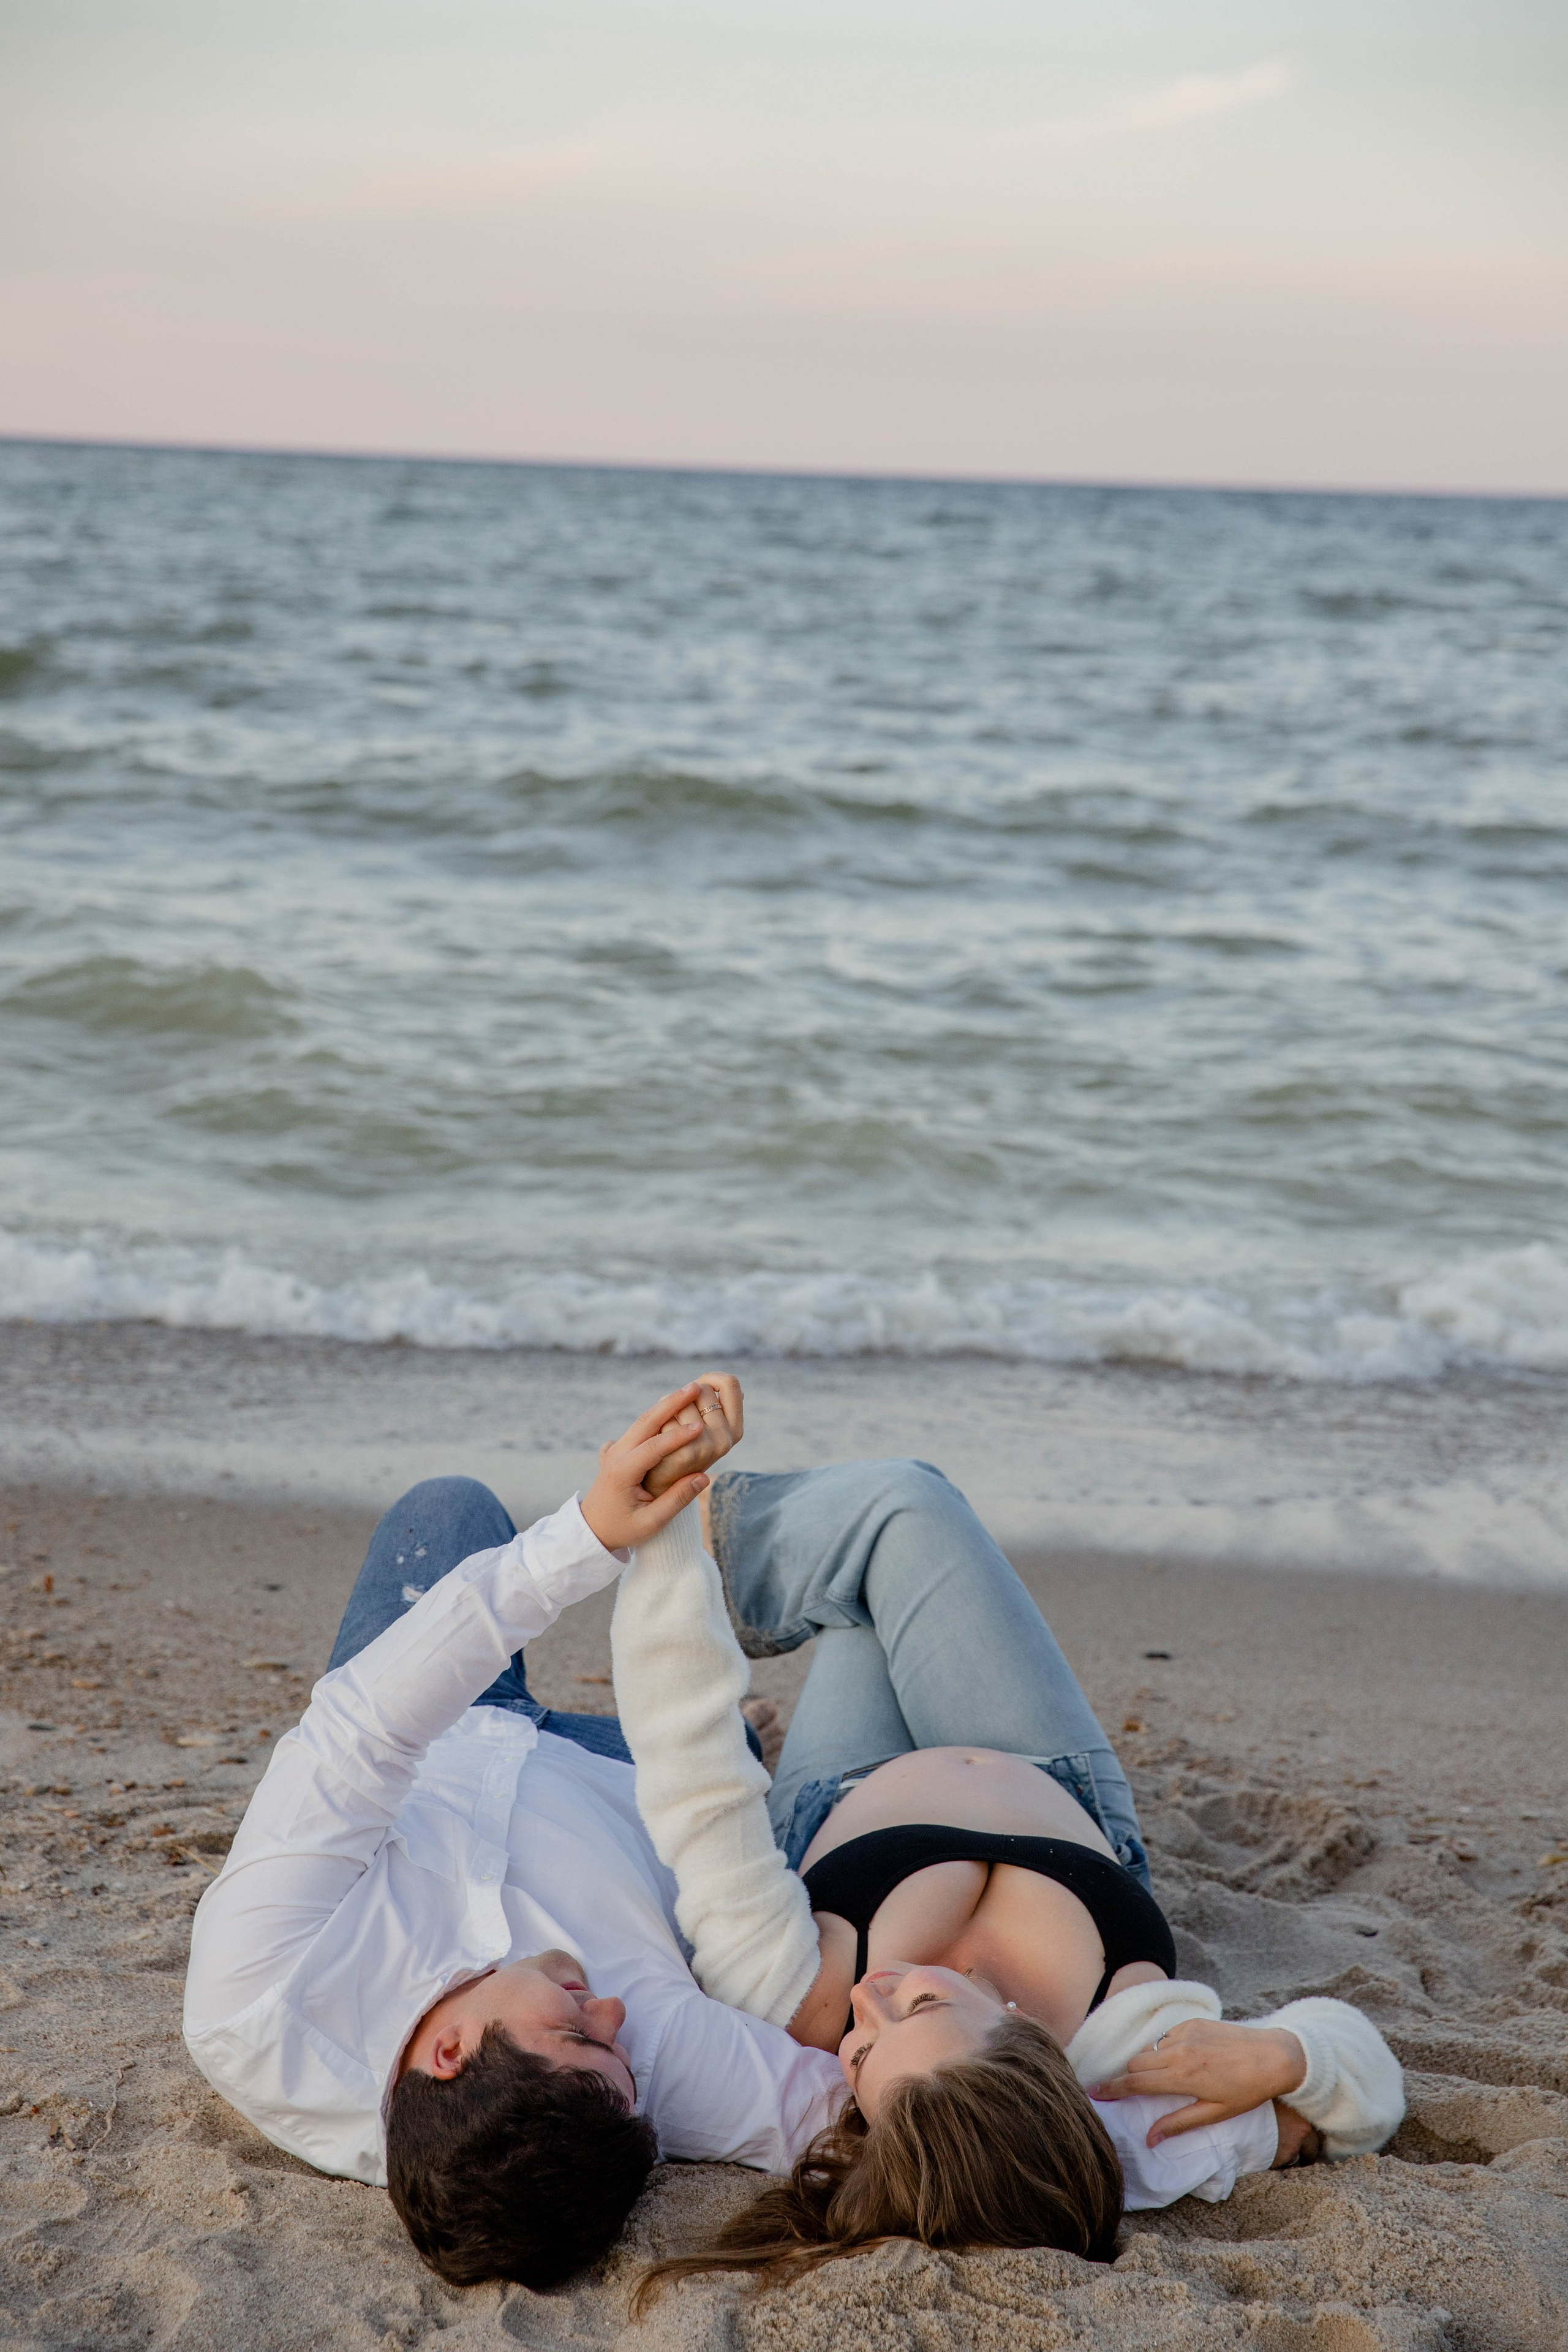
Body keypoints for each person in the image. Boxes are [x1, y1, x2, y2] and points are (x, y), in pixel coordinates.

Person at [606, 1385, 1405, 2300]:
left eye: (860, 2055)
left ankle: (697, 1518)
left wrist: (659, 1542)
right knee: (909, 1504)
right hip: (1050, 1772)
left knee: (875, 1566)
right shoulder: (1123, 2060)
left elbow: (692, 1776)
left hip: (845, 1788)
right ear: (1023, 2043)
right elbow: (1361, 2093)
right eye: (916, 2011)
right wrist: (1291, 2059)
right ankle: (745, 1538)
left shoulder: (795, 1992)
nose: (869, 2001)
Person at [183, 1384, 849, 2290]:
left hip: (444, 1731)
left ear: (448, 2056)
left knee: (447, 1508)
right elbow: (877, 2116)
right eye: (617, 2052)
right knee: (728, 1744)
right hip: (623, 1783)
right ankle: (735, 1733)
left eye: (580, 2032)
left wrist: (594, 1530)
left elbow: (365, 1730)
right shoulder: (635, 2078)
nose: (614, 2015)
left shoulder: (258, 1991)